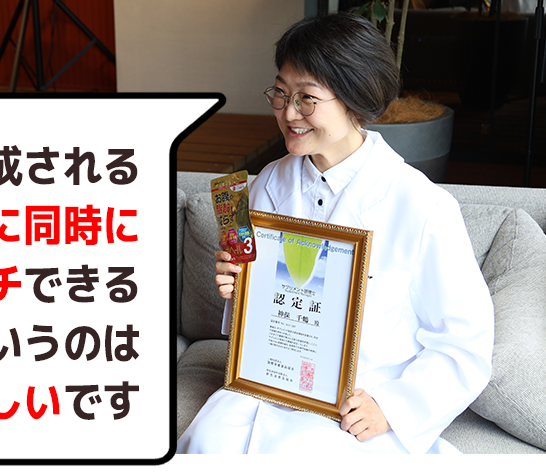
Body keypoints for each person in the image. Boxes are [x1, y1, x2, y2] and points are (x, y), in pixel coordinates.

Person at [176, 13, 494, 454]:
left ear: (354, 99)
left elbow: (465, 341)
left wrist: (392, 408)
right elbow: (258, 323)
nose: (289, 113)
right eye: (281, 93)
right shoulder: (267, 183)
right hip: (265, 388)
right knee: (206, 445)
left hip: (354, 407)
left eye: (307, 98)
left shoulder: (421, 206)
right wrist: (240, 287)